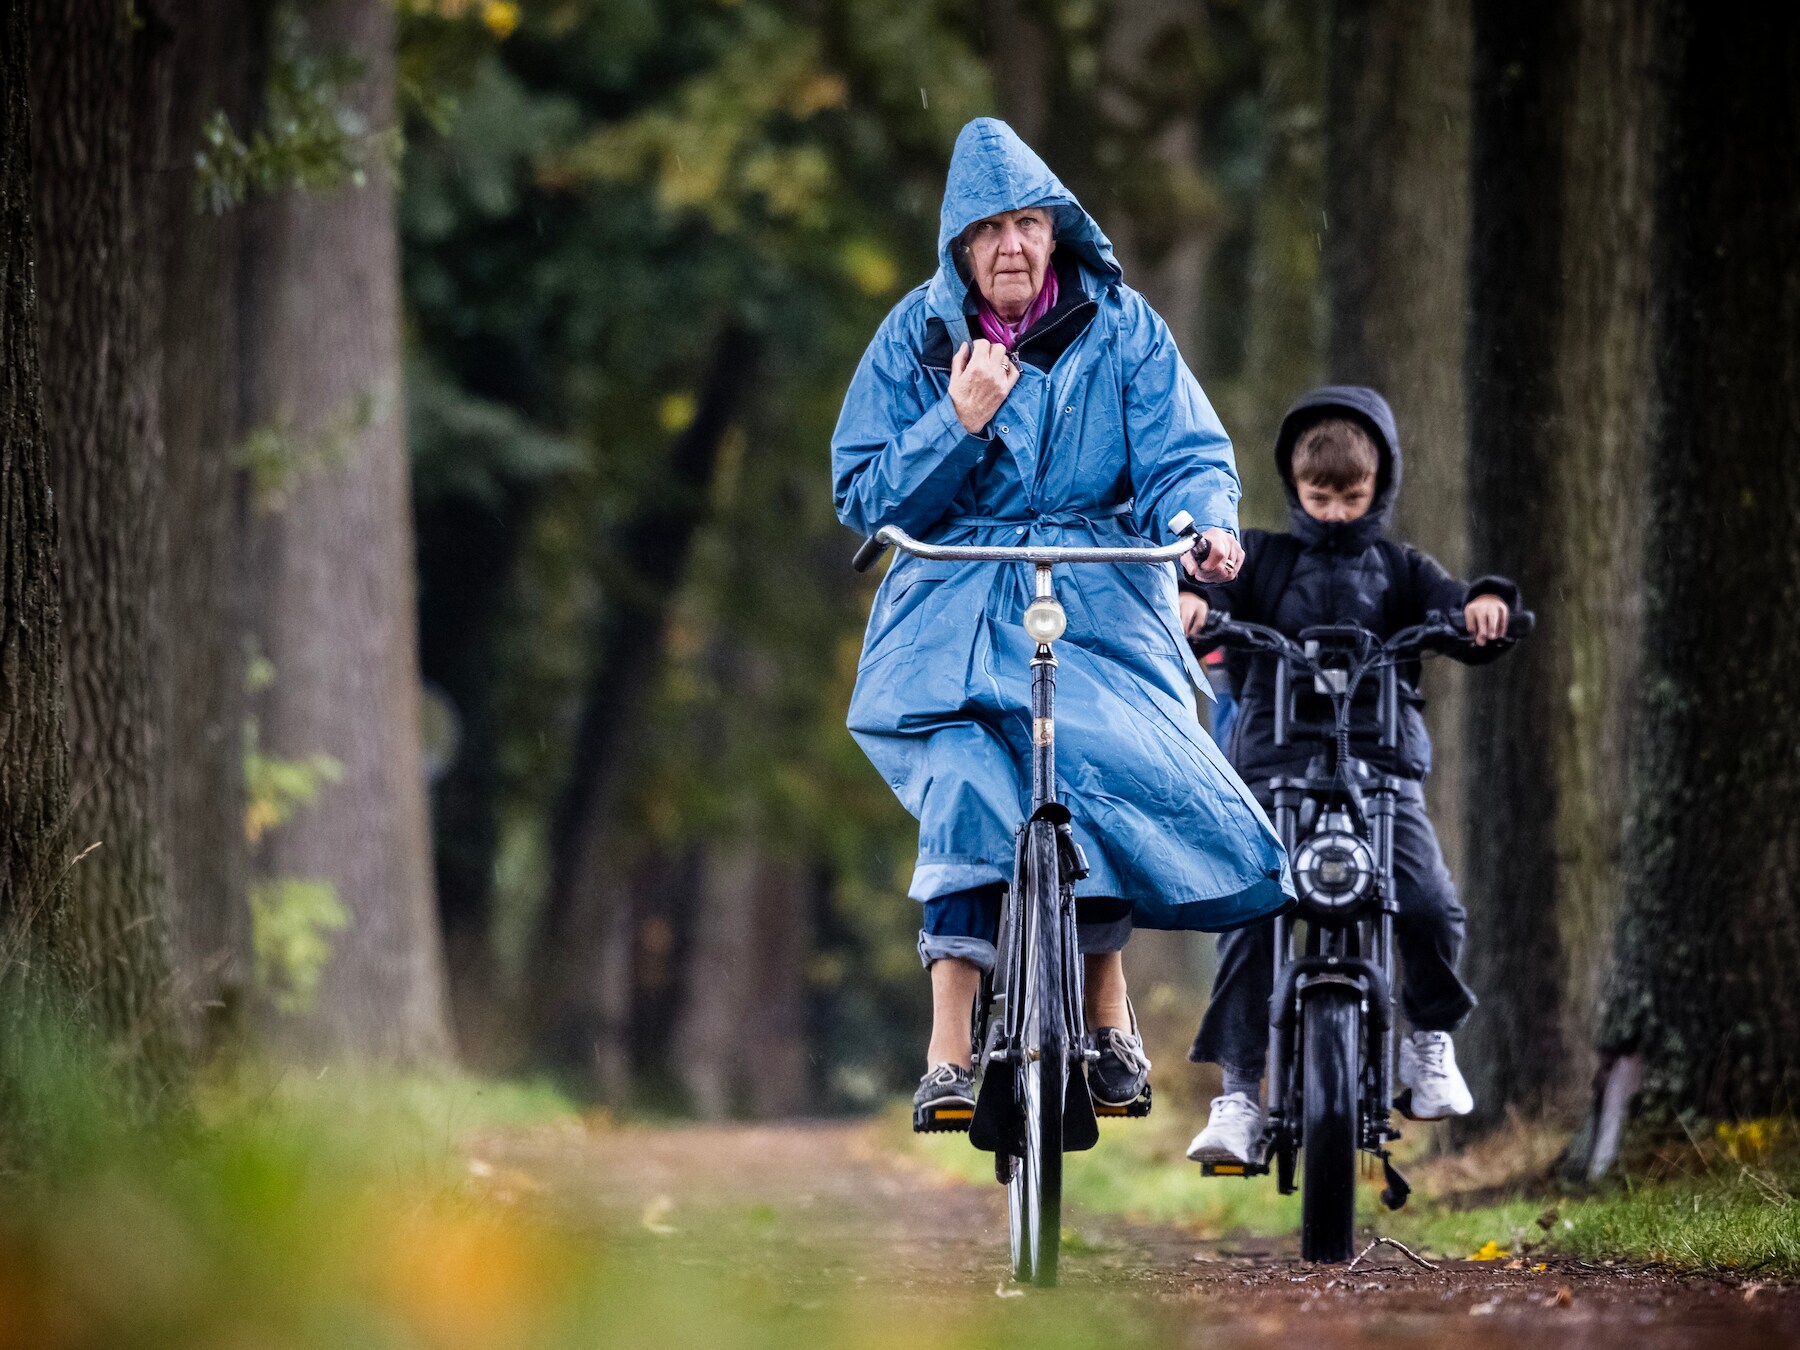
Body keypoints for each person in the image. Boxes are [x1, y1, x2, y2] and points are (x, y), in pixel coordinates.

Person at [832, 118, 1291, 1129]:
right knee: (961, 785)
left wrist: (1204, 529)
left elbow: (1185, 454)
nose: (1010, 247)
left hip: (1098, 587)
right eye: (989, 229)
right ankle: (949, 1051)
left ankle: (1107, 1012)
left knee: (1109, 756)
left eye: (1028, 223)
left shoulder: (1125, 329)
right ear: (959, 244)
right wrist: (957, 422)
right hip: (954, 599)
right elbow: (865, 495)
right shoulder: (917, 337)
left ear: (1056, 231)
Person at [1181, 386, 1518, 1165]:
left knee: (1430, 903)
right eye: (1319, 495)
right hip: (1275, 770)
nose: (1335, 510)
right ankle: (1237, 1093)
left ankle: (1428, 1042)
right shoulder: (1263, 558)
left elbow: (1458, 609)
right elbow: (1209, 591)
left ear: (1381, 486)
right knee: (1250, 917)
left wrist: (1486, 606)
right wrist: (1191, 601)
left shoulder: (1401, 570)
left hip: (1381, 774)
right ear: (1295, 488)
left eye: (1352, 496)